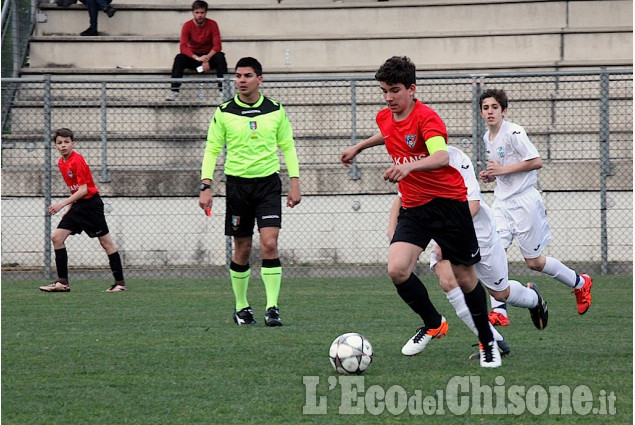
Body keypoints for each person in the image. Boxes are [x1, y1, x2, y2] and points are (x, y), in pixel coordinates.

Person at [341, 56, 500, 368]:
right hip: (414, 207)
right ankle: (433, 322)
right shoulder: (385, 115)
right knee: (397, 269)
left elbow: (440, 156)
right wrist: (359, 147)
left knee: (464, 277)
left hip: (448, 205)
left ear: (412, 89)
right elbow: (388, 133)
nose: (388, 98)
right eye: (384, 91)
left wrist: (408, 167)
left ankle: (488, 342)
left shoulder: (428, 118)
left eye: (395, 91)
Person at [387, 145, 549, 358]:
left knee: (500, 293)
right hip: (443, 232)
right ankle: (490, 341)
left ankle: (533, 299)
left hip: (479, 233)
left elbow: (473, 204)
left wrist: (448, 229)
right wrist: (394, 229)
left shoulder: (456, 159)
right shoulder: (412, 159)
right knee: (447, 281)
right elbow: (401, 197)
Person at [198, 57, 301, 327]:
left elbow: (287, 146)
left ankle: (272, 308)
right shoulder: (223, 112)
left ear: (260, 79)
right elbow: (211, 149)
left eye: (247, 75)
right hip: (237, 188)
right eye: (238, 76)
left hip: (268, 185)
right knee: (241, 249)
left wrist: (295, 181)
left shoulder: (276, 110)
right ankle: (242, 307)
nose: (241, 80)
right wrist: (205, 186)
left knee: (269, 243)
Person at [478, 88, 593, 318]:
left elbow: (536, 161)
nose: (490, 112)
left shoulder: (514, 133)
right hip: (501, 203)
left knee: (534, 262)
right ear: (481, 113)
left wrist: (502, 170)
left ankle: (580, 282)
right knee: (492, 253)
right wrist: (493, 176)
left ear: (504, 111)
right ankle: (499, 311)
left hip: (525, 202)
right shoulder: (486, 138)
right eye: (485, 108)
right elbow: (504, 168)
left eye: (494, 107)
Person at [40, 128, 127, 293]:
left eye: (66, 142)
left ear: (73, 143)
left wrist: (62, 204)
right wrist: (71, 207)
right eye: (60, 143)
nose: (63, 145)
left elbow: (84, 190)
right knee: (57, 237)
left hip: (91, 205)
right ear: (55, 146)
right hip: (78, 205)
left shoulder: (77, 160)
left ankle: (120, 283)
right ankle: (62, 283)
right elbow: (76, 191)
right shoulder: (61, 163)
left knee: (105, 242)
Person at [166, 0, 228, 101]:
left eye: (202, 12)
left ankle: (223, 92)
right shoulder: (187, 25)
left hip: (209, 56)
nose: (200, 15)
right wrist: (198, 58)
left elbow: (217, 46)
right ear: (193, 13)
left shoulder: (212, 24)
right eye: (197, 12)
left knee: (220, 57)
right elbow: (183, 47)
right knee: (179, 58)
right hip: (194, 58)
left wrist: (206, 58)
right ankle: (174, 92)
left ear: (206, 12)